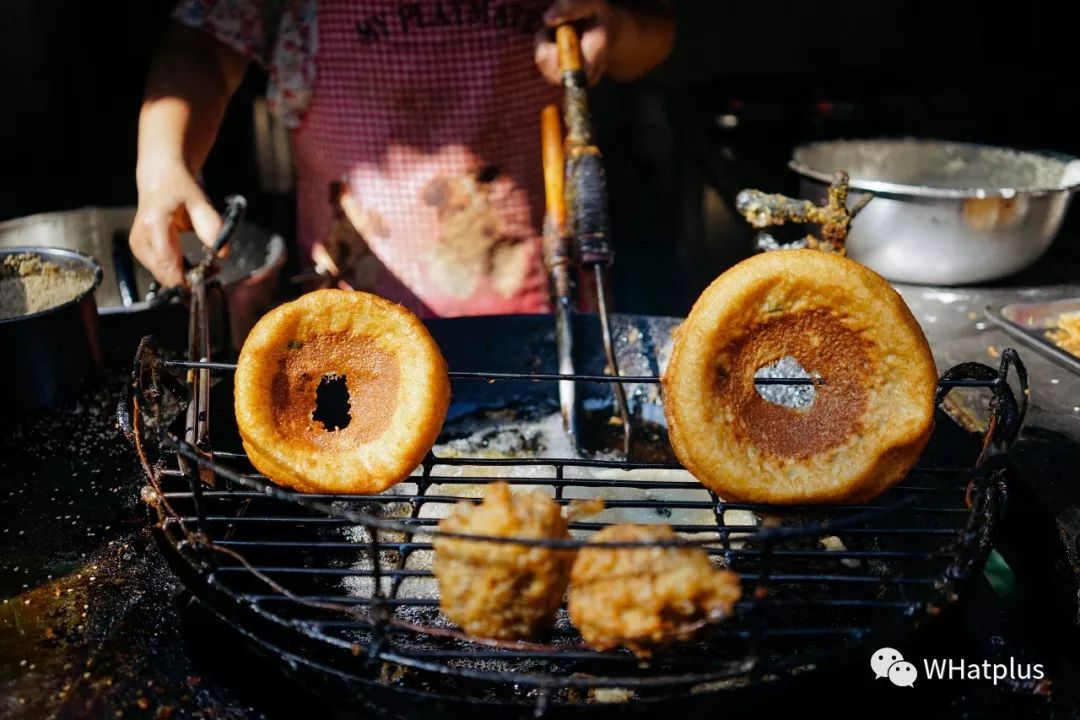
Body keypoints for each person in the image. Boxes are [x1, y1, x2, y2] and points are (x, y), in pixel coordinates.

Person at [130, 0, 674, 317]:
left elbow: (656, 24)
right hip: (356, 309)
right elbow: (201, 45)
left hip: (536, 301)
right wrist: (162, 164)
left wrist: (620, 33)